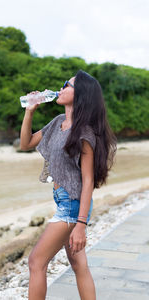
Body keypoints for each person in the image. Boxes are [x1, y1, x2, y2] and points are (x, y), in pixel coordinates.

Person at [20, 69, 117, 300]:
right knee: (79, 265)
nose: (61, 87)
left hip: (72, 206)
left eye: (68, 85)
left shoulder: (84, 133)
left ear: (81, 95)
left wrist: (81, 225)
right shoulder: (58, 122)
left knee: (36, 262)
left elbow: (88, 181)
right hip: (64, 201)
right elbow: (26, 143)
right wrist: (29, 112)